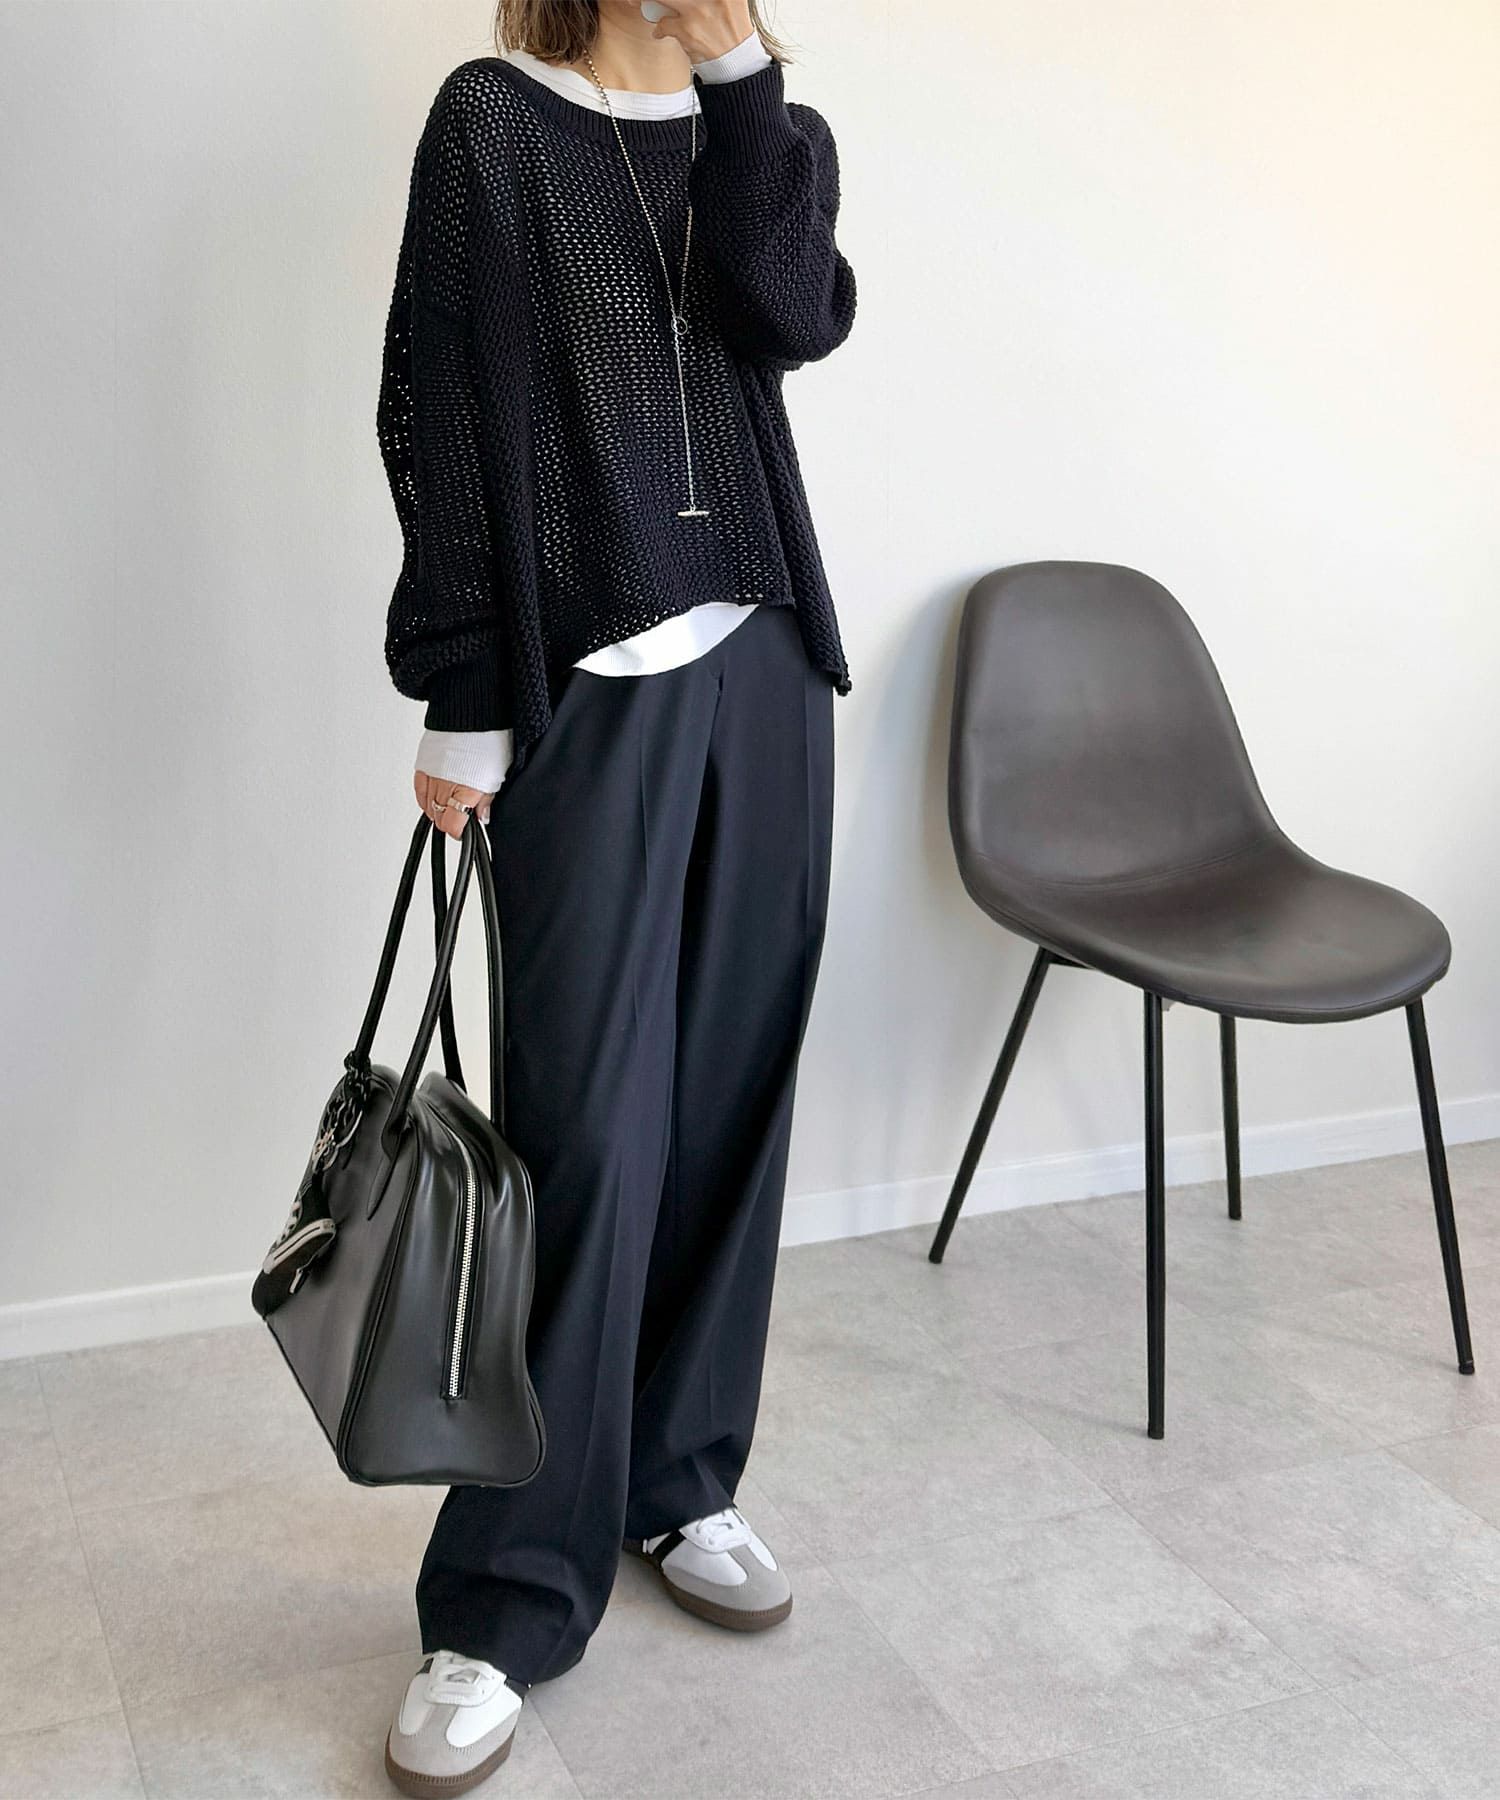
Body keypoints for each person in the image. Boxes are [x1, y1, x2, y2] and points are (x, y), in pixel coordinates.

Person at [374, 2, 857, 1790]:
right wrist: (465, 697)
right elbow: (438, 414)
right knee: (582, 1137)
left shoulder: (769, 131)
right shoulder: (494, 123)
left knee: (729, 1106)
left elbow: (793, 315)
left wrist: (741, 86)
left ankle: (680, 1480)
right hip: (588, 684)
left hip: (769, 669)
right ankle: (503, 1598)